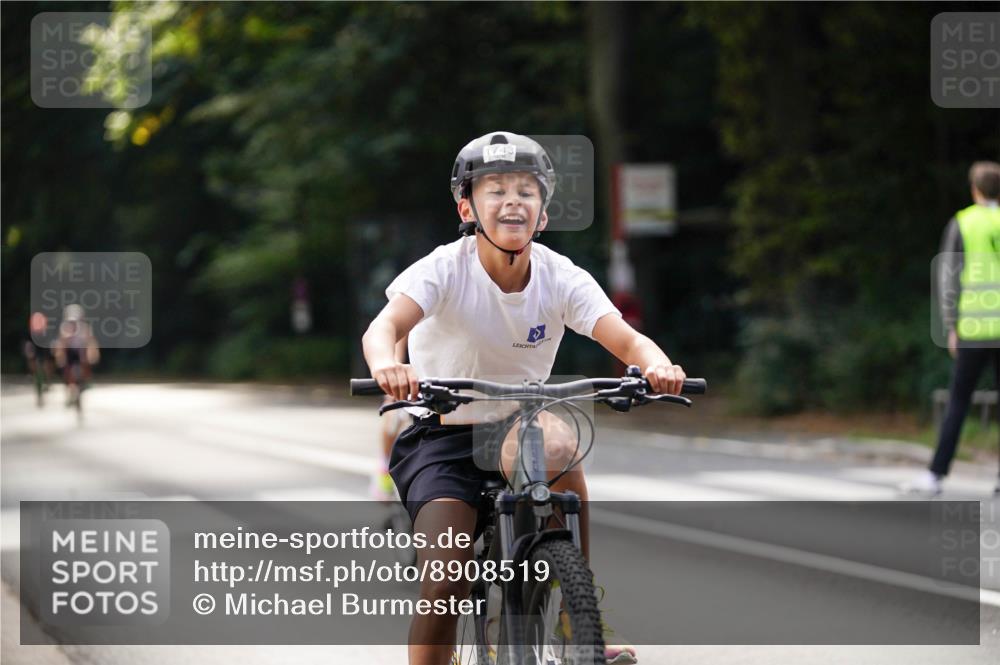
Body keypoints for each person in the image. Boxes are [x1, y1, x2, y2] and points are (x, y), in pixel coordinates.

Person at [362, 131, 687, 665]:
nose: (512, 200)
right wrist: (387, 365)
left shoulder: (560, 276)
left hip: (520, 424)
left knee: (559, 443)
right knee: (445, 581)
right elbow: (385, 326)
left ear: (542, 213)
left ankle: (577, 620)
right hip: (442, 435)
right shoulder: (443, 268)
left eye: (526, 191)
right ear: (467, 208)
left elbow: (628, 340)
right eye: (495, 190)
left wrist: (657, 366)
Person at [902, 161, 1000, 497]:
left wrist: (950, 325)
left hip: (974, 328)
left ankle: (935, 475)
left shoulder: (964, 222)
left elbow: (948, 277)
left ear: (975, 190)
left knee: (958, 402)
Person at [52, 304, 100, 406]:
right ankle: (69, 385)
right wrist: (59, 354)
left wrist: (93, 353)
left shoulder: (85, 328)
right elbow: (61, 342)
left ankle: (85, 380)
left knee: (86, 360)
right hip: (69, 352)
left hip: (80, 351)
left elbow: (91, 341)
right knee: (65, 366)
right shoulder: (64, 328)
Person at [23, 311, 54, 407]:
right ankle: (33, 374)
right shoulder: (30, 334)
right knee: (32, 360)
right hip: (35, 349)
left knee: (46, 364)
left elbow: (48, 349)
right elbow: (28, 346)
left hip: (43, 349)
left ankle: (47, 381)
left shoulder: (45, 334)